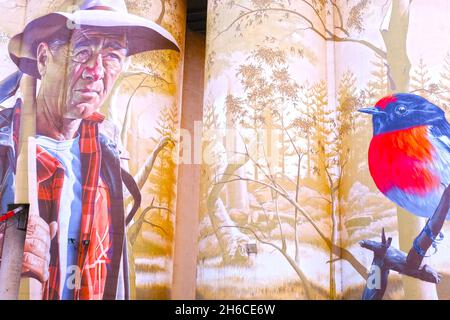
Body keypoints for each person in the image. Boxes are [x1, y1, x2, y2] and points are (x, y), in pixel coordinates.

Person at [0, 0, 179, 300]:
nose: (96, 71)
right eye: (82, 51)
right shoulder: (7, 149)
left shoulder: (108, 155)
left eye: (111, 56)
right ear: (44, 58)